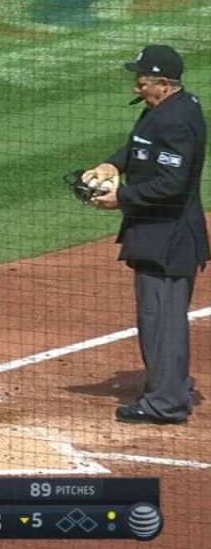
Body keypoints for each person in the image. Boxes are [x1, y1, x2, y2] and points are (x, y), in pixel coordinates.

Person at [86, 44, 208, 424]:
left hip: (168, 238)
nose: (137, 85)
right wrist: (111, 162)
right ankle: (171, 386)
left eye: (142, 79)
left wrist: (121, 197)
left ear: (163, 83)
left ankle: (166, 402)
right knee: (160, 317)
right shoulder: (164, 111)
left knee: (162, 320)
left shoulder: (177, 120)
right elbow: (139, 149)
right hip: (158, 233)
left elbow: (172, 183)